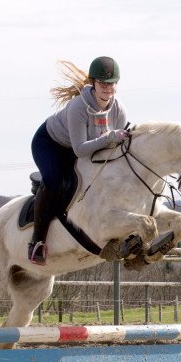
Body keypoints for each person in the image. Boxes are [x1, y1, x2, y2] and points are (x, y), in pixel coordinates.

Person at [28, 56, 129, 265]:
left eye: (111, 84)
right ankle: (36, 242)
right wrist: (110, 137)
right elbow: (80, 149)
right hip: (51, 145)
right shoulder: (78, 107)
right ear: (93, 83)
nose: (107, 88)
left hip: (83, 148)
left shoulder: (118, 109)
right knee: (55, 181)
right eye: (103, 83)